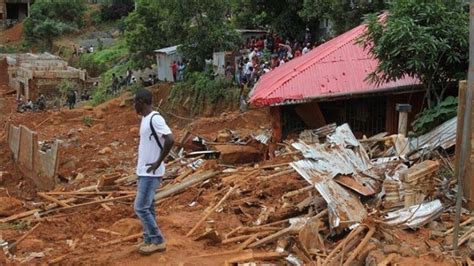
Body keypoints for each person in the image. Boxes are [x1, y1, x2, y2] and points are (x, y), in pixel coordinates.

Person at [133, 88, 174, 255]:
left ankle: (157, 240)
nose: (134, 106)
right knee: (148, 207)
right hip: (144, 171)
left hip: (151, 173)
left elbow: (170, 139)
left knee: (140, 207)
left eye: (135, 102)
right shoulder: (145, 119)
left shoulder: (155, 119)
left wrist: (158, 162)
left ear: (141, 102)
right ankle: (149, 239)